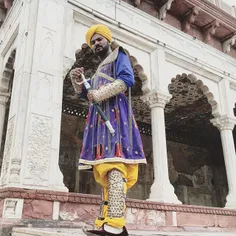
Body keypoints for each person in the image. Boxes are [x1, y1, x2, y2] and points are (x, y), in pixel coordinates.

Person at [70, 24, 146, 236]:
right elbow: (87, 95)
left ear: (107, 39)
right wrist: (78, 82)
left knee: (115, 167)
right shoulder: (99, 72)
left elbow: (127, 80)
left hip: (116, 118)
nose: (96, 44)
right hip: (100, 123)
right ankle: (107, 223)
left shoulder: (118, 55)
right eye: (92, 42)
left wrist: (99, 94)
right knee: (104, 170)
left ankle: (115, 225)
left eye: (99, 40)